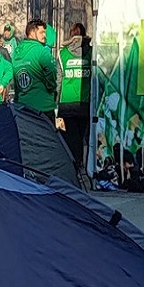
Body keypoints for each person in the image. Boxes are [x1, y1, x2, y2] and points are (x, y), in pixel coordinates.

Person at [59, 21, 93, 174]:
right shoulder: (92, 53)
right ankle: (84, 166)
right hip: (85, 102)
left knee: (69, 138)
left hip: (67, 102)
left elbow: (58, 79)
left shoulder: (63, 54)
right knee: (83, 138)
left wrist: (55, 102)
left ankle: (73, 167)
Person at [11, 19, 60, 116]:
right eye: (41, 32)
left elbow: (15, 80)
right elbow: (52, 72)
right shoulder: (41, 51)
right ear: (32, 32)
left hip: (23, 106)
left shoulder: (16, 53)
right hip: (43, 107)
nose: (44, 36)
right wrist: (51, 88)